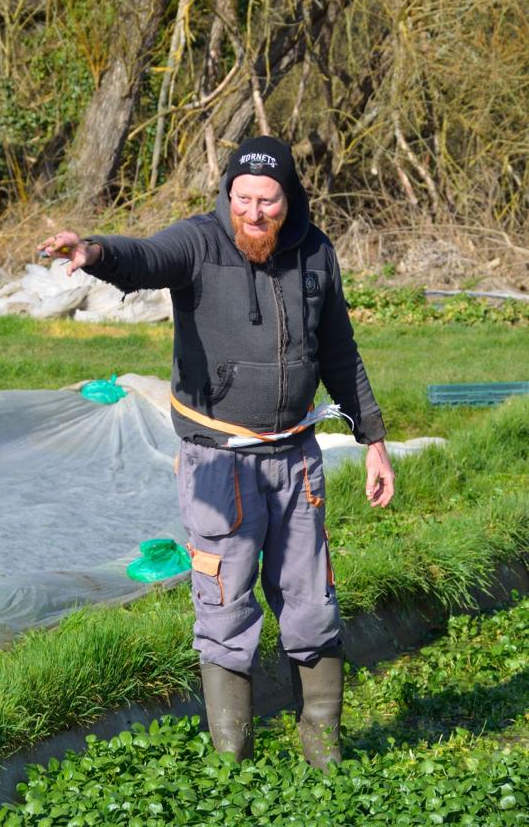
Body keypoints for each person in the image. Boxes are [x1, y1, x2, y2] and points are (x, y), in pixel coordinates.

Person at [38, 136, 395, 769]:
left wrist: (374, 441)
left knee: (313, 604)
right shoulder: (200, 242)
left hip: (296, 461)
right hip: (216, 464)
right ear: (228, 194)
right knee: (225, 605)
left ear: (290, 198)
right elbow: (145, 258)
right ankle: (233, 760)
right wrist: (93, 252)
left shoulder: (315, 253)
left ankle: (324, 746)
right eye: (242, 198)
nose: (253, 213)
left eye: (267, 199)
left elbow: (339, 348)